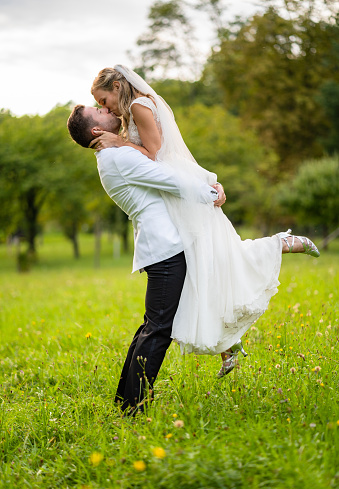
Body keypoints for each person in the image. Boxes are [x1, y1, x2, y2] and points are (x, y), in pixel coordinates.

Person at [88, 65, 320, 378]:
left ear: (116, 85)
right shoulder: (132, 111)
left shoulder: (139, 106)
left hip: (178, 190)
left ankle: (280, 243)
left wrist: (121, 143)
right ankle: (228, 343)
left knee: (219, 258)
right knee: (204, 266)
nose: (105, 107)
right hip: (173, 190)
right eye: (99, 106)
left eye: (103, 99)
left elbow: (155, 155)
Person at [67, 104, 226, 414]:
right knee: (158, 330)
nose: (105, 108)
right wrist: (212, 194)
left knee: (151, 327)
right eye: (99, 110)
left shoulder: (113, 155)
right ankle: (133, 408)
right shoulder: (117, 156)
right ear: (97, 131)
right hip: (165, 248)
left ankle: (125, 402)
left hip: (159, 247)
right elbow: (169, 179)